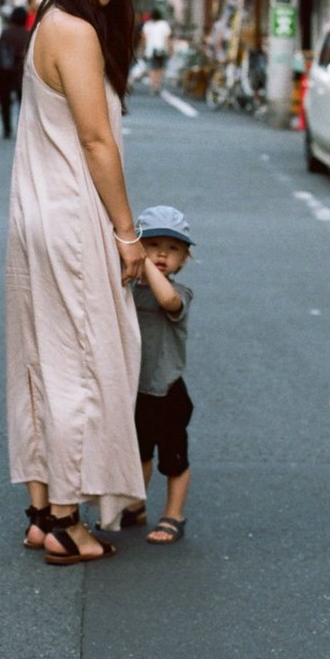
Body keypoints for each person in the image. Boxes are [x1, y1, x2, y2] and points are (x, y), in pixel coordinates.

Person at [5, 0, 146, 566]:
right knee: (81, 365)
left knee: (39, 357)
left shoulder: (46, 19)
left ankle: (40, 509)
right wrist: (127, 232)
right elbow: (96, 141)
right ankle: (66, 519)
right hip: (70, 217)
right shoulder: (78, 31)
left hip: (33, 213)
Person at [123, 204, 195, 545]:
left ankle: (173, 514)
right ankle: (136, 505)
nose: (162, 253)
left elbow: (166, 301)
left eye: (173, 248)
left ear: (184, 259)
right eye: (152, 245)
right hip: (134, 388)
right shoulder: (127, 289)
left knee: (173, 459)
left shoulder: (180, 293)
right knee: (138, 453)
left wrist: (146, 264)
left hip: (168, 392)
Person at [0, 5, 29, 139]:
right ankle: (22, 129)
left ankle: (7, 129)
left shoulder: (6, 33)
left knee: (5, 102)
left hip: (5, 73)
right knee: (23, 103)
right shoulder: (28, 34)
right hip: (22, 73)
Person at [140, 7, 172, 95]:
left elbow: (144, 39)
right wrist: (171, 49)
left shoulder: (147, 25)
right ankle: (158, 85)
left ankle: (153, 86)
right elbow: (168, 38)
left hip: (150, 50)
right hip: (162, 49)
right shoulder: (164, 24)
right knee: (160, 68)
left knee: (152, 69)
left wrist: (141, 49)